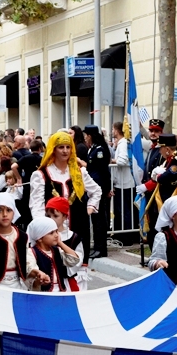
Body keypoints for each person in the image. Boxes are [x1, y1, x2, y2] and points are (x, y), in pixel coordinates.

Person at [28, 131, 102, 263]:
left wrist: (89, 209)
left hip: (78, 228)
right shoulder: (41, 175)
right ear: (53, 149)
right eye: (61, 147)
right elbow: (36, 205)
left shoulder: (78, 172)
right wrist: (44, 229)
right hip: (53, 231)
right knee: (55, 268)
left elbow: (96, 191)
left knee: (78, 266)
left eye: (68, 147)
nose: (65, 151)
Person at [0, 192, 45, 289]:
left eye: (9, 210)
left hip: (17, 286)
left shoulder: (22, 237)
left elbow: (26, 262)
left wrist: (36, 273)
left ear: (14, 212)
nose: (5, 214)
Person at [140, 134, 177, 249]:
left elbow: (168, 176)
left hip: (168, 199)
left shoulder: (176, 161)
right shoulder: (167, 161)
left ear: (167, 149)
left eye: (160, 148)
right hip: (159, 199)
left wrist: (157, 176)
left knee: (167, 230)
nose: (159, 151)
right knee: (155, 228)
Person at [26, 217, 81, 292]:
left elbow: (74, 260)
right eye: (51, 233)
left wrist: (60, 243)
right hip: (43, 294)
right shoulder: (32, 252)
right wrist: (40, 278)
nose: (56, 235)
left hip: (60, 292)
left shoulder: (56, 250)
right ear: (40, 238)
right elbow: (30, 270)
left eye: (56, 231)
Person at [45, 196, 88, 291]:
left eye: (55, 216)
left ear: (65, 216)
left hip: (66, 283)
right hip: (47, 281)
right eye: (48, 216)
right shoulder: (42, 235)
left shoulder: (74, 238)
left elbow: (77, 261)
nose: (51, 219)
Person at [84, 125, 112, 258]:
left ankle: (101, 249)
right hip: (93, 189)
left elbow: (104, 172)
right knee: (96, 220)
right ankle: (97, 247)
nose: (85, 138)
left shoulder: (100, 150)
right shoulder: (94, 148)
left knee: (100, 220)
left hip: (99, 189)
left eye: (86, 136)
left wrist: (106, 189)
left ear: (90, 136)